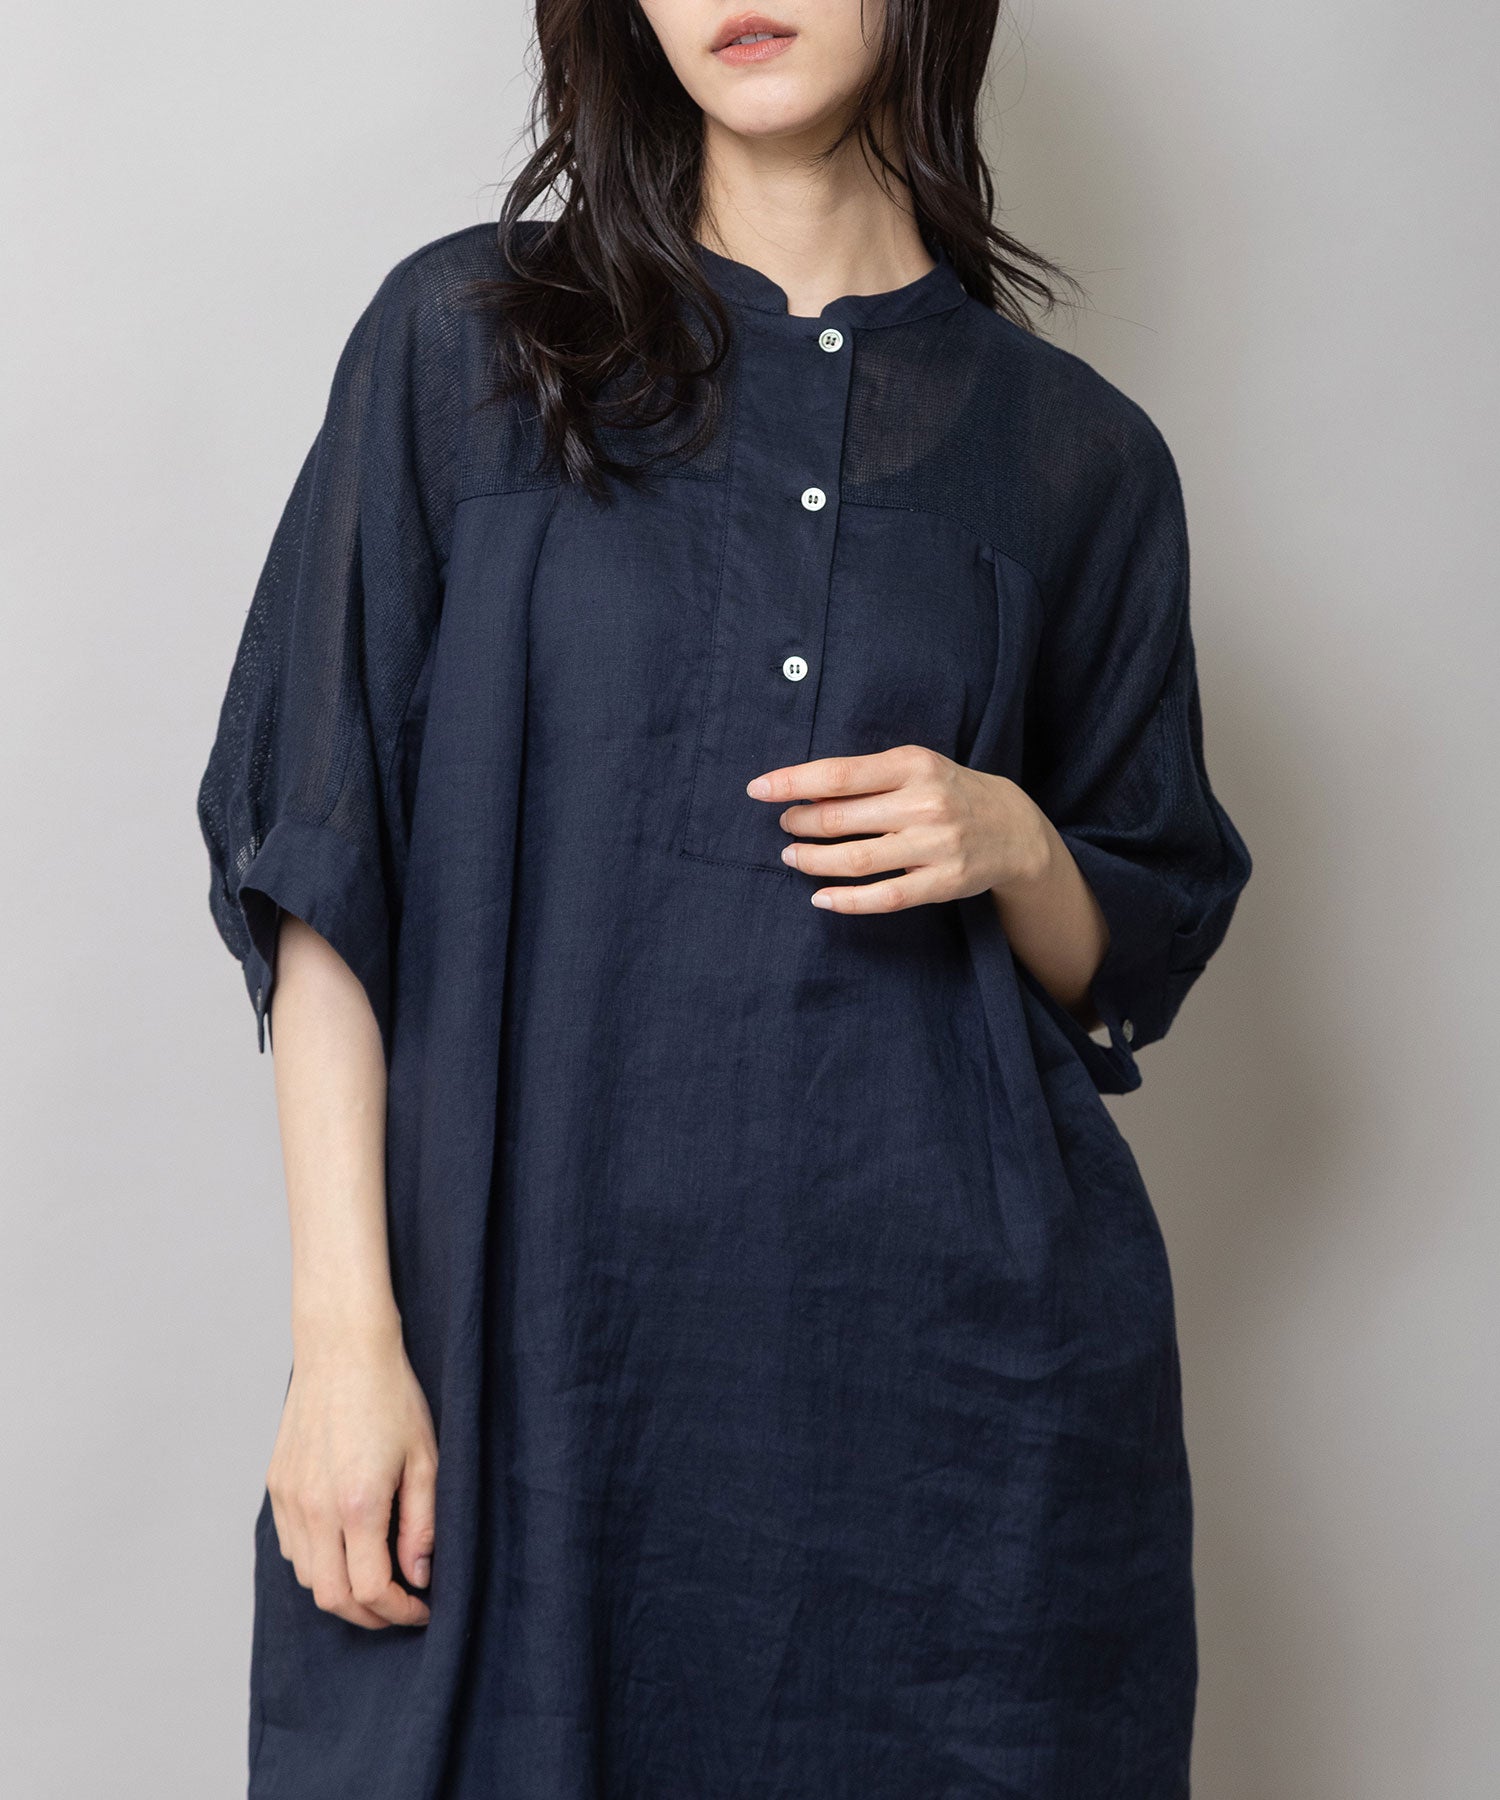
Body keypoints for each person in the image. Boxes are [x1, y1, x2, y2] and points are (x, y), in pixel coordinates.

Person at [196, 2, 1253, 1794]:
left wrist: (1017, 839)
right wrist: (344, 1345)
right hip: (531, 1365)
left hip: (952, 1412)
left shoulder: (1076, 455)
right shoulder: (469, 341)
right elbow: (320, 860)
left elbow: (1132, 947)